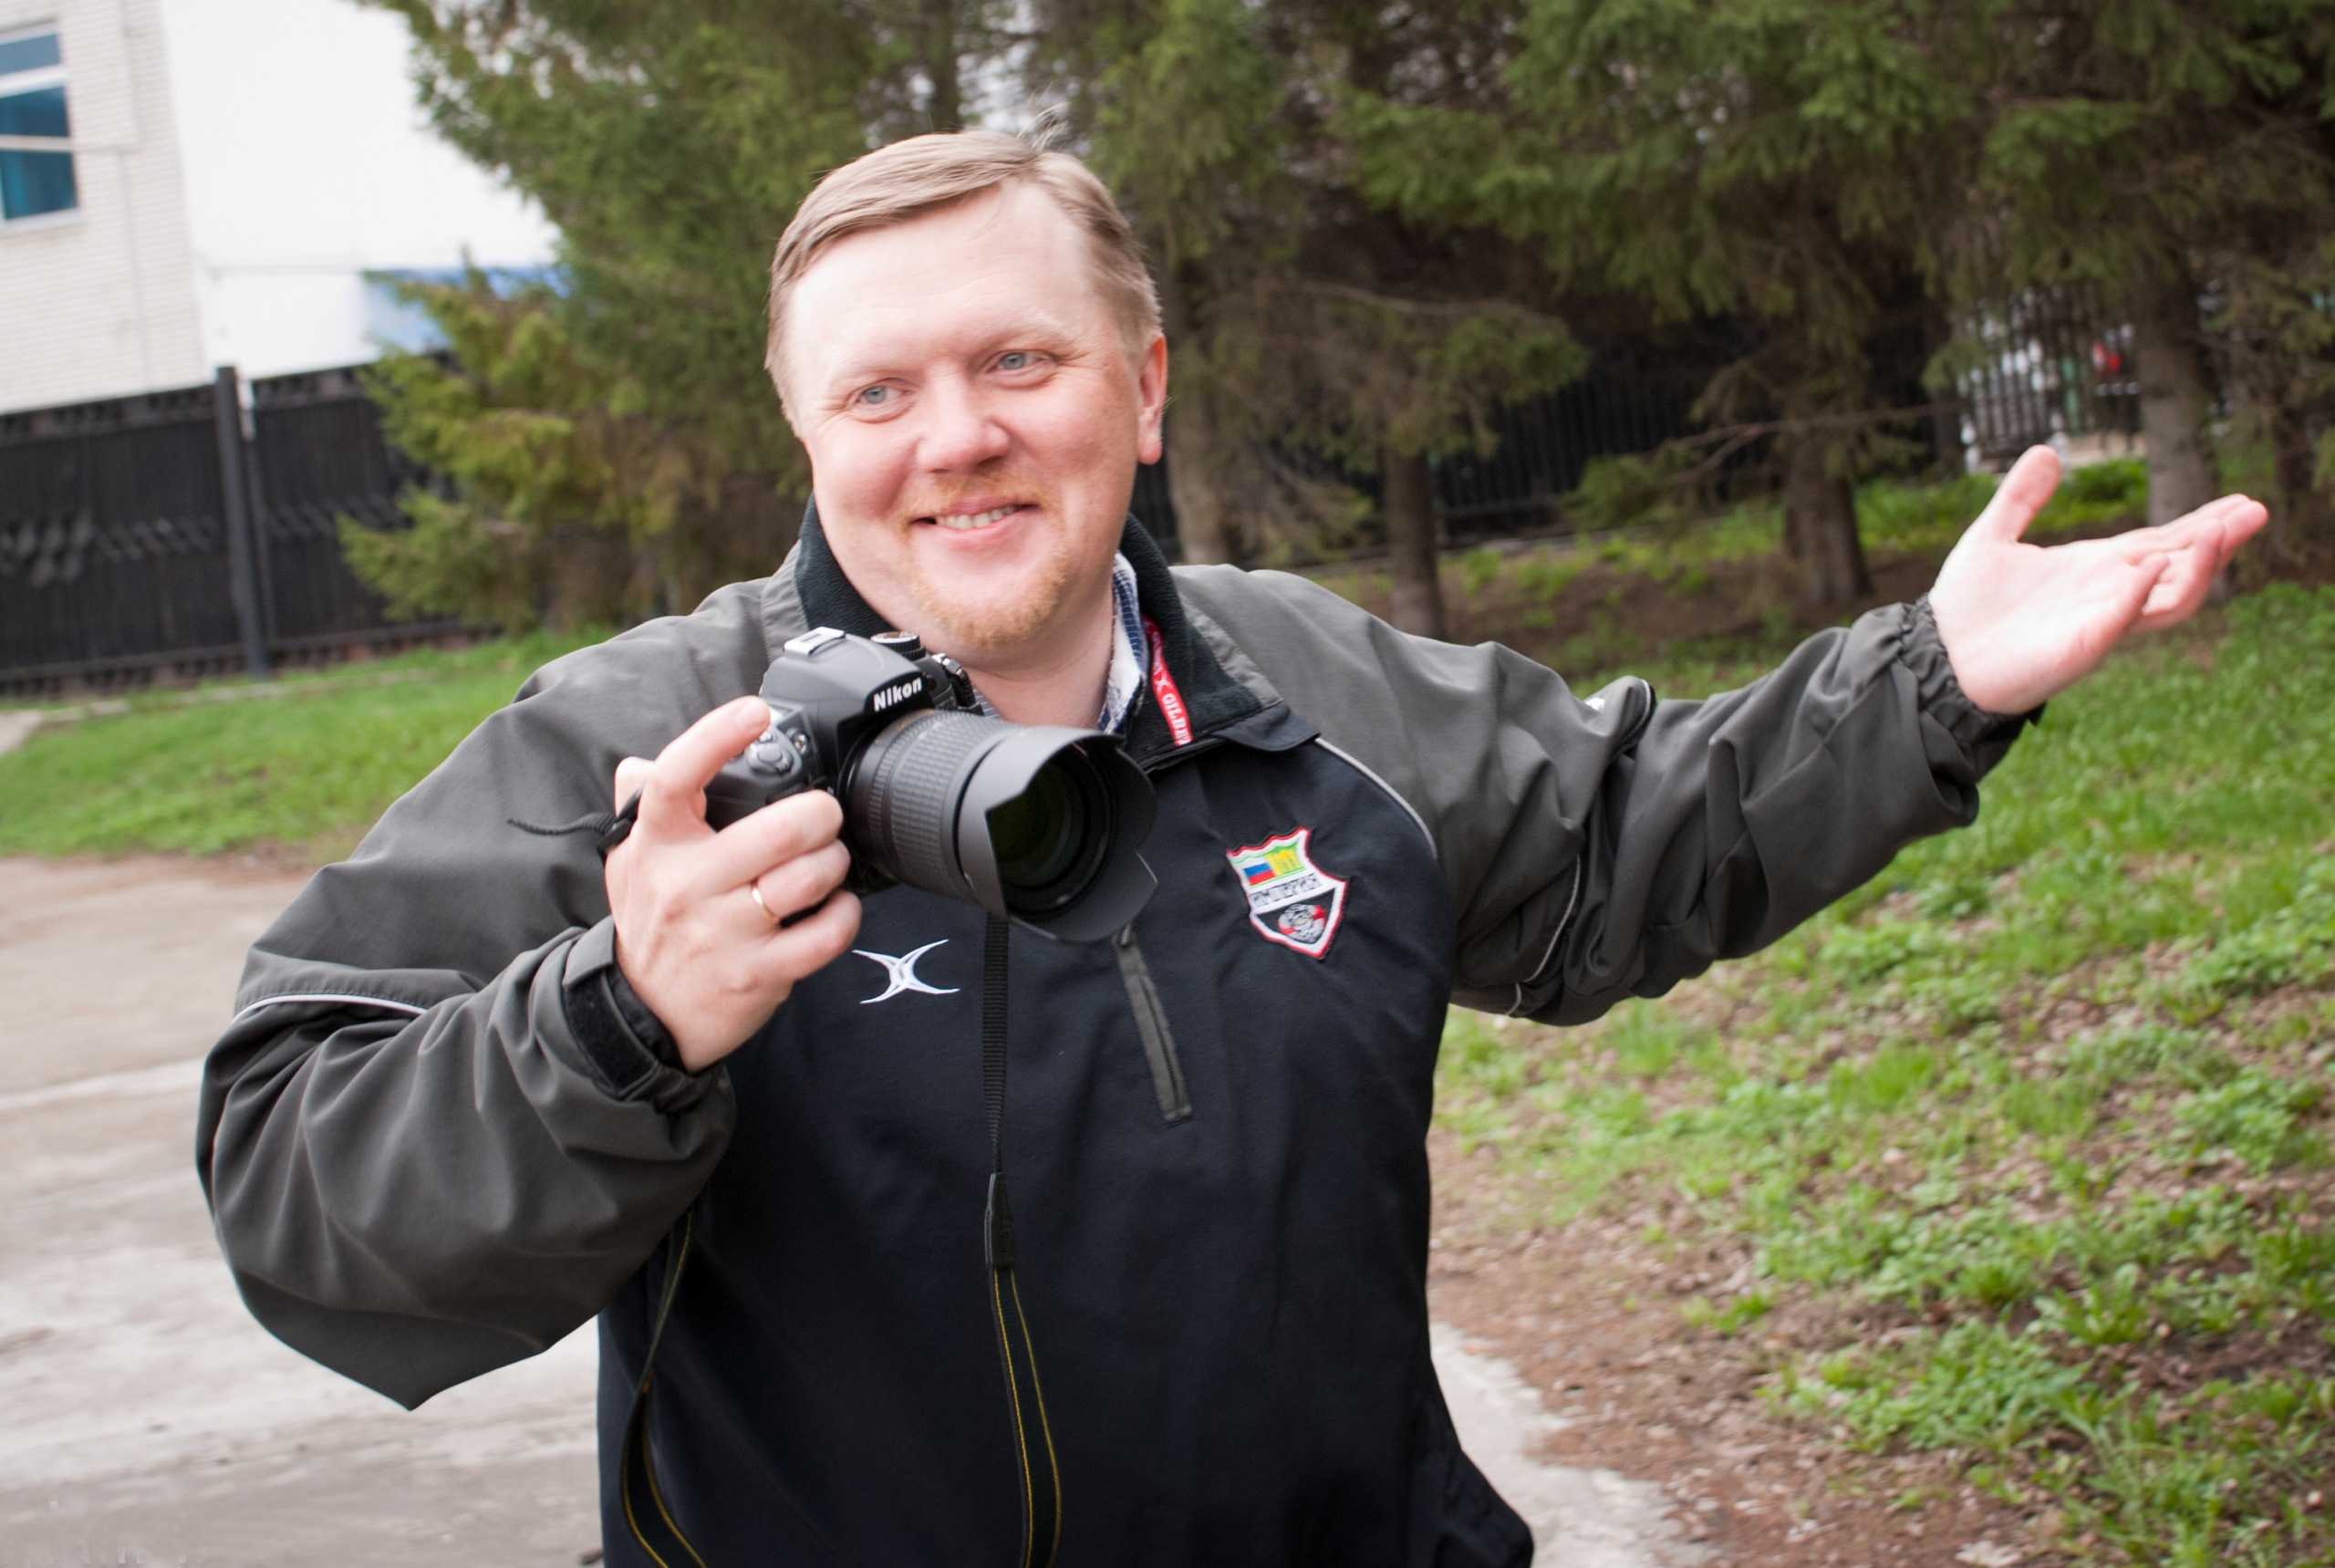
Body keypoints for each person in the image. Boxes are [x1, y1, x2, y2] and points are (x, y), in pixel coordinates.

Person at [197, 130, 2264, 1568]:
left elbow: (1639, 835)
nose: (956, 435)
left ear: (1145, 386)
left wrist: (1931, 680)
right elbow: (299, 1182)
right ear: (808, 434)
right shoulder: (642, 749)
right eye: (879, 390)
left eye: (1020, 360)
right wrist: (615, 1016)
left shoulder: (1305, 678)